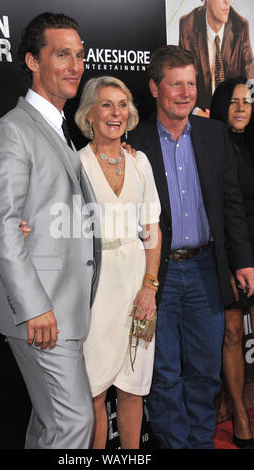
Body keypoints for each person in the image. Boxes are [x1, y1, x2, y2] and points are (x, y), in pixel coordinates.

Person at [0, 12, 101, 449]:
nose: (76, 65)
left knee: (49, 427)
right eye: (62, 54)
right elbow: (2, 224)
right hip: (42, 314)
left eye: (80, 54)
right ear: (32, 61)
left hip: (65, 309)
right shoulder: (12, 132)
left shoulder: (59, 129)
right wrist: (34, 307)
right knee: (73, 427)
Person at [21, 76, 162, 449]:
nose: (115, 113)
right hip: (93, 289)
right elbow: (55, 220)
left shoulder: (140, 161)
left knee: (133, 389)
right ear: (89, 114)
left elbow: (152, 230)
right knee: (94, 392)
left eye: (122, 105)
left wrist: (150, 286)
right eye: (106, 105)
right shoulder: (76, 163)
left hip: (136, 284)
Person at [127, 44, 254, 449]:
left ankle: (200, 444)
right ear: (154, 88)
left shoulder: (215, 134)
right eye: (175, 85)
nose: (185, 93)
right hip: (156, 276)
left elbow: (231, 204)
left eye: (191, 84)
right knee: (163, 374)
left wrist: (244, 262)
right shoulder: (134, 141)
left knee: (204, 371)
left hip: (205, 270)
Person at [210, 76, 254, 449]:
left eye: (247, 101)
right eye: (234, 101)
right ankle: (239, 413)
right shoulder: (211, 146)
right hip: (228, 250)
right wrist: (229, 260)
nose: (241, 108)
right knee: (232, 334)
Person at [179, 0, 254, 112]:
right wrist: (196, 111)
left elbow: (250, 80)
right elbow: (182, 78)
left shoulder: (240, 26)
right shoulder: (188, 24)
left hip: (231, 115)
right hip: (202, 114)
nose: (227, 2)